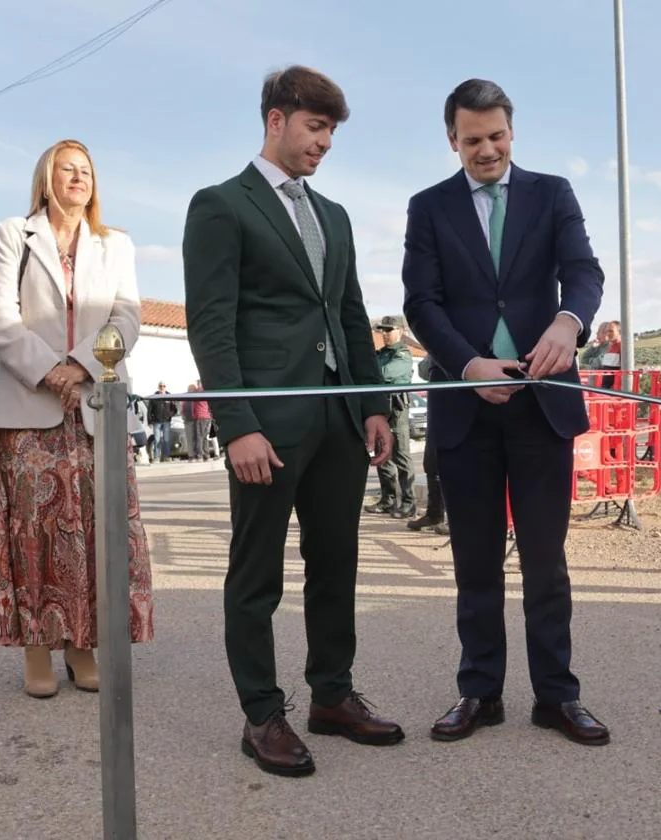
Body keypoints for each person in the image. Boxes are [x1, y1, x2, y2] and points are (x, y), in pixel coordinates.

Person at [183, 65, 402, 778]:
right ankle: (261, 714)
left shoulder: (333, 215)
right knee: (257, 574)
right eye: (315, 127)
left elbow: (347, 314)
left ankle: (331, 697)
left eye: (332, 131)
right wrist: (237, 422)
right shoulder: (221, 205)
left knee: (336, 563)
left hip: (338, 419)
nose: (324, 143)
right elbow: (211, 326)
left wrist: (373, 405)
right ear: (276, 120)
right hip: (268, 424)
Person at [402, 79, 609, 746]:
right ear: (452, 140)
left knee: (545, 559)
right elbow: (422, 303)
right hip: (467, 406)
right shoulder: (428, 207)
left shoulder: (553, 194)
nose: (486, 150)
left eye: (495, 137)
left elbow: (584, 270)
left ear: (511, 132)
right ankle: (479, 692)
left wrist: (568, 323)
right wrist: (467, 367)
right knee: (475, 559)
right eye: (471, 141)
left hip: (541, 401)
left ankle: (556, 696)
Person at [0, 139, 154, 699]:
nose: (78, 178)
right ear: (46, 178)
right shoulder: (15, 233)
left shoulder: (116, 243)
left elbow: (128, 316)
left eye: (86, 170)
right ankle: (37, 647)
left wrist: (81, 364)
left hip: (95, 402)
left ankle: (82, 645)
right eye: (67, 169)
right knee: (36, 532)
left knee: (97, 533)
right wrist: (49, 370)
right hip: (29, 407)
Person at [365, 315, 417, 518]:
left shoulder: (402, 354)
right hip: (380, 408)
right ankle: (387, 499)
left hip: (396, 408)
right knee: (382, 456)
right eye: (382, 331)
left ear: (400, 331)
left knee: (401, 455)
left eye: (389, 330)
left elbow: (386, 373)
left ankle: (408, 502)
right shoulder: (381, 353)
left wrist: (369, 374)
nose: (385, 334)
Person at [408, 355, 449, 535]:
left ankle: (455, 518)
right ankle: (435, 514)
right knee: (432, 463)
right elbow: (423, 370)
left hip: (462, 409)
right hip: (439, 410)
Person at [148, 381, 177, 462]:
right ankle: (156, 457)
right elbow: (149, 409)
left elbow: (174, 409)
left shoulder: (169, 396)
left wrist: (170, 415)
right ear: (158, 387)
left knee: (166, 439)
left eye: (163, 386)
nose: (162, 387)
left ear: (165, 387)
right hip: (156, 421)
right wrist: (150, 421)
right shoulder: (154, 396)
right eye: (161, 386)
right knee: (157, 439)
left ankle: (166, 457)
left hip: (166, 421)